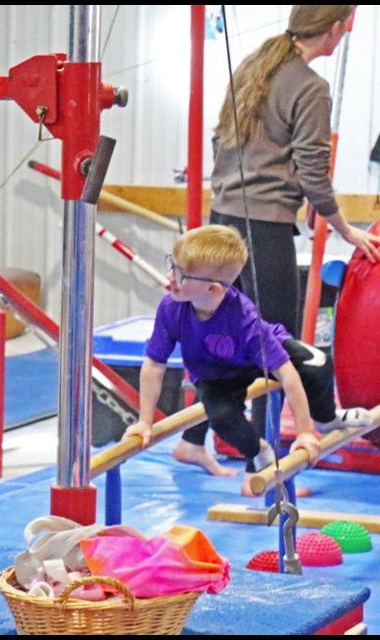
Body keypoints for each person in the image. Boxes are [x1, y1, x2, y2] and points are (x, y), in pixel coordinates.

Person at [176, 5, 380, 475]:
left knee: (225, 335)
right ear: (333, 29)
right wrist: (344, 228)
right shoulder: (310, 87)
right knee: (276, 342)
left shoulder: (255, 66)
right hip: (261, 226)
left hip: (223, 216)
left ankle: (193, 438)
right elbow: (314, 170)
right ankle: (273, 456)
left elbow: (225, 141)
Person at [121, 226, 372, 495]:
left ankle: (326, 418)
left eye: (180, 273)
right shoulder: (171, 307)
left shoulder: (244, 319)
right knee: (221, 418)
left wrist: (305, 432)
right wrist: (144, 421)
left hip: (254, 356)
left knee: (316, 363)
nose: (170, 276)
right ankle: (259, 450)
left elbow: (287, 374)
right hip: (215, 374)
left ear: (214, 289)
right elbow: (154, 365)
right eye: (172, 264)